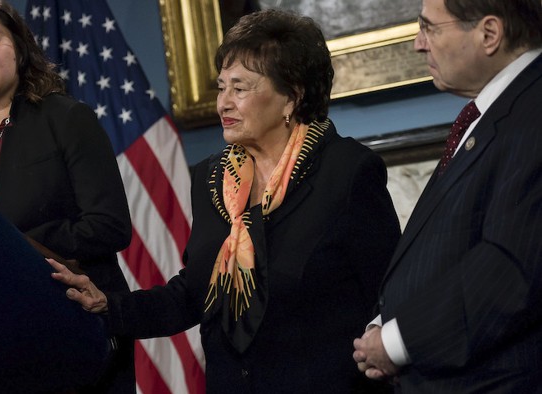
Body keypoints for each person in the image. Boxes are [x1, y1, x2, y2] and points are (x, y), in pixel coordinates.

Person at [50, 9, 400, 393]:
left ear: (292, 97)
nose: (224, 103)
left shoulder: (347, 172)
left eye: (241, 87)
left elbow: (391, 296)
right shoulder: (210, 179)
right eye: (221, 87)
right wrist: (108, 306)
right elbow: (193, 293)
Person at [0, 1, 134, 392]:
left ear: (19, 51)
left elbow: (111, 226)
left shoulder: (67, 119)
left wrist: (23, 248)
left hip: (76, 325)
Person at [353, 0, 542, 391]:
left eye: (429, 27)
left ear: (489, 34)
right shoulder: (494, 113)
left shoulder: (533, 111)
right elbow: (442, 252)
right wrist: (385, 321)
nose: (419, 44)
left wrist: (396, 342)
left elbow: (509, 269)